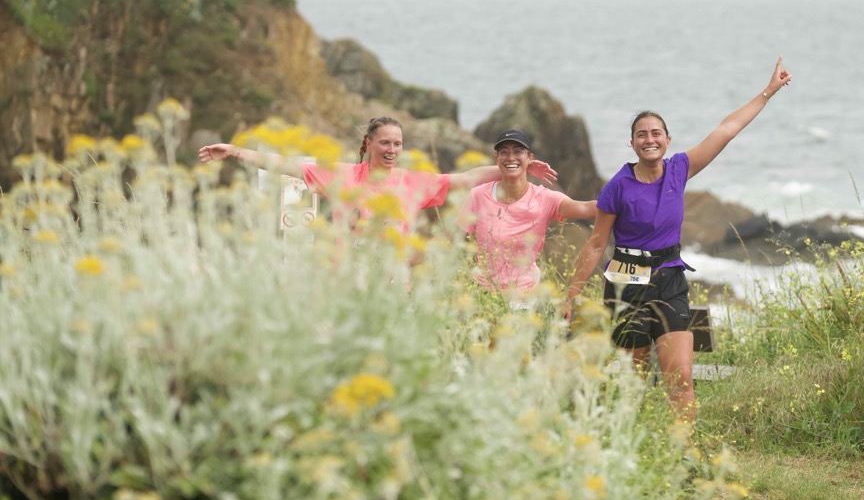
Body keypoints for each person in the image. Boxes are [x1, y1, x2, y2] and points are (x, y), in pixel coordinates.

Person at [561, 57, 793, 422]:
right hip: (625, 282)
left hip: (669, 279)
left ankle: (684, 448)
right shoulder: (617, 187)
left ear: (667, 140)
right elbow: (595, 243)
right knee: (632, 381)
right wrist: (571, 294)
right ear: (632, 143)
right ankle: (632, 444)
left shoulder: (679, 169)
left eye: (656, 133)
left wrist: (768, 91)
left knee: (681, 377)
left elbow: (727, 129)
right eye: (642, 134)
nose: (649, 139)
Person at [198, 117, 558, 239]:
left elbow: (466, 178)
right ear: (369, 144)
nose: (391, 149)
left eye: (397, 144)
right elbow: (285, 165)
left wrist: (517, 167)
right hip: (347, 276)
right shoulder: (342, 176)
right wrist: (234, 151)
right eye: (385, 142)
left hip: (393, 280)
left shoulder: (411, 181)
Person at [457, 129, 596, 301]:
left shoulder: (544, 198)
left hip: (524, 296)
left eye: (518, 151)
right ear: (496, 158)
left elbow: (585, 208)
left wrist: (623, 198)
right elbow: (454, 241)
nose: (511, 157)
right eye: (504, 152)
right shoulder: (478, 195)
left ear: (530, 157)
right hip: (483, 294)